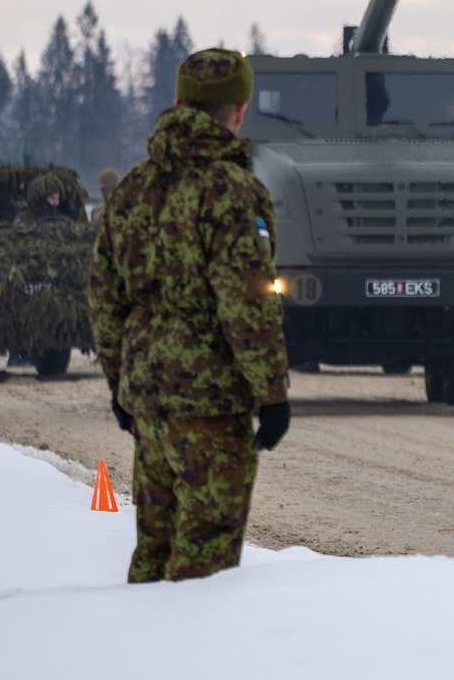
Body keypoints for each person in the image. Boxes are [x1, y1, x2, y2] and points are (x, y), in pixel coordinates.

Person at [91, 47, 291, 583]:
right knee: (204, 563)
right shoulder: (231, 192)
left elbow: (106, 299)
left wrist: (119, 385)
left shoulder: (130, 190)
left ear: (177, 103)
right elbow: (247, 303)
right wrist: (272, 394)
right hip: (211, 403)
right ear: (239, 111)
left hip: (148, 401)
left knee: (154, 552)